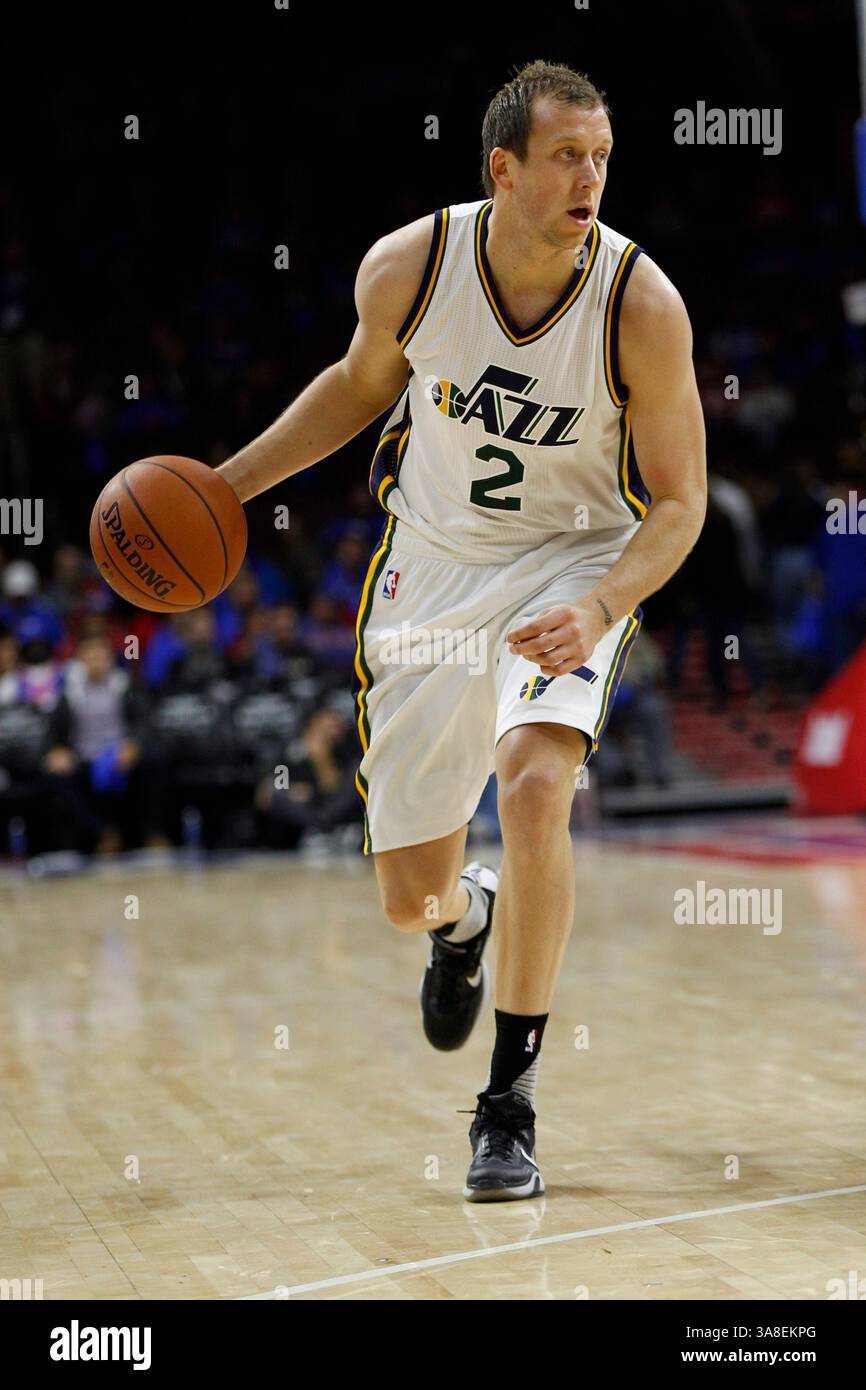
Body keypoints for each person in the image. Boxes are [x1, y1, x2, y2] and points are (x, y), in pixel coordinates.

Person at [215, 61, 707, 1201]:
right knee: (405, 898)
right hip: (431, 567)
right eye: (565, 157)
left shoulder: (639, 305)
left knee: (536, 786)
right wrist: (222, 488)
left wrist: (596, 605)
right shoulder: (410, 267)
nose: (590, 178)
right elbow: (353, 387)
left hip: (574, 559)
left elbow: (677, 502)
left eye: (601, 157)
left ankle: (507, 1101)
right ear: (502, 167)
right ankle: (463, 920)